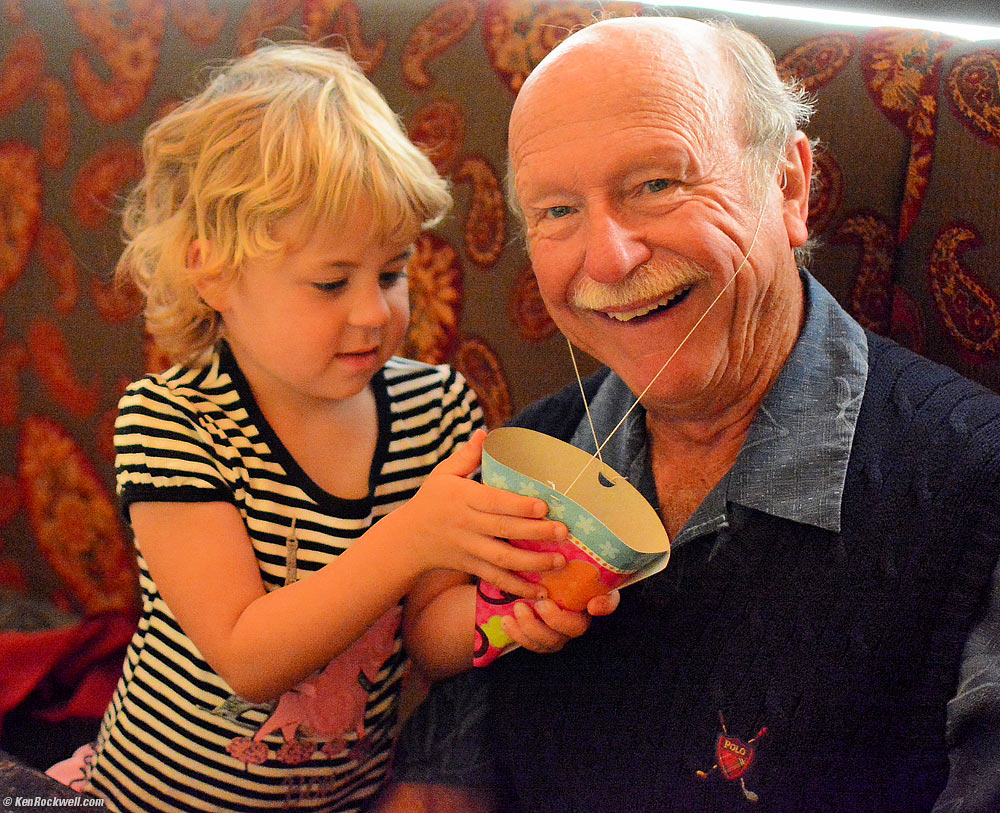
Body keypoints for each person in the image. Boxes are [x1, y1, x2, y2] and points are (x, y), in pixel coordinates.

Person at [379, 15, 1000, 813]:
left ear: (787, 185)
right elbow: (449, 770)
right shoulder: (529, 453)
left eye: (657, 184)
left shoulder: (975, 493)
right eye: (558, 211)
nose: (607, 259)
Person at [46, 43, 614, 812]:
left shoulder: (437, 409)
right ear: (210, 269)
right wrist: (413, 536)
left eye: (391, 271)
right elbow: (246, 656)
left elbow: (426, 636)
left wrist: (511, 614)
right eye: (330, 281)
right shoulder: (173, 421)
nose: (374, 313)